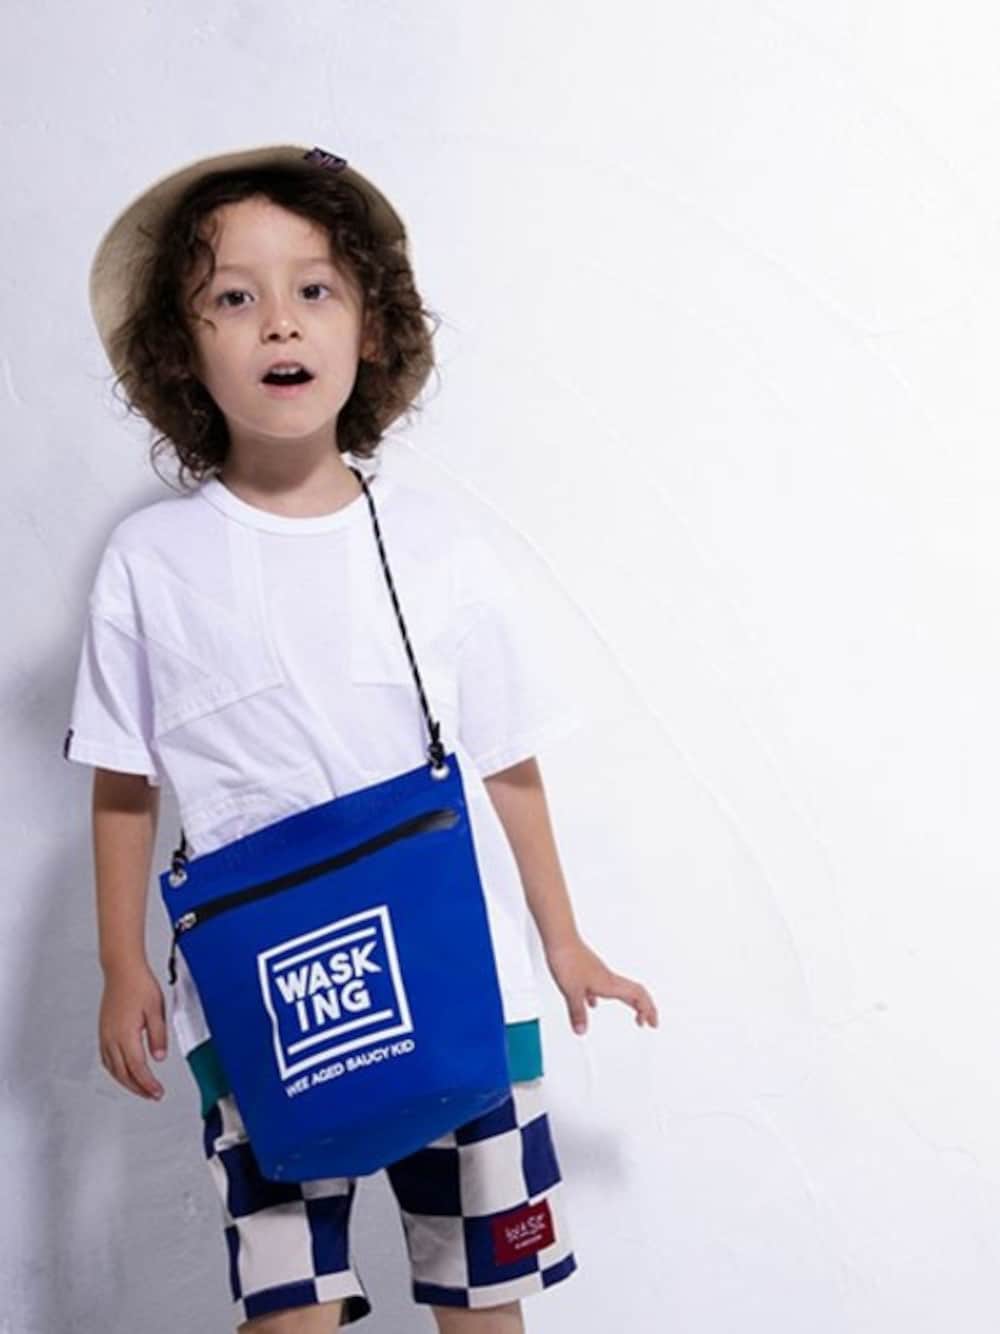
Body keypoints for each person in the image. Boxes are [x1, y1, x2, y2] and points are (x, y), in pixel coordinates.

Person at [63, 142, 659, 1333]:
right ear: (184, 349)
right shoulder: (149, 560)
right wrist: (121, 962)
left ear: (372, 327)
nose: (279, 321)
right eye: (235, 296)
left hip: (459, 980)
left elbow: (508, 758)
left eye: (315, 289)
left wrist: (563, 937)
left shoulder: (442, 548)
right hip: (264, 996)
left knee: (482, 1299)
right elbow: (124, 778)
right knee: (289, 1306)